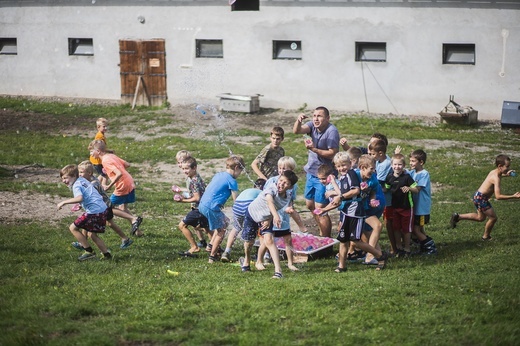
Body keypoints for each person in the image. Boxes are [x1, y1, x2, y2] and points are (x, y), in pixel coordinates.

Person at [316, 161, 388, 272]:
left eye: (343, 165)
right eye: (339, 166)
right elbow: (340, 199)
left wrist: (339, 196)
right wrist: (325, 209)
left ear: (350, 164)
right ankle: (342, 266)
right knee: (343, 239)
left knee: (356, 240)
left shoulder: (352, 175)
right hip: (346, 212)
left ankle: (379, 255)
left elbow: (355, 191)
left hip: (355, 212)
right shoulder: (344, 178)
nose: (341, 168)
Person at [241, 170, 299, 279]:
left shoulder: (285, 199)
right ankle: (247, 259)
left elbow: (274, 207)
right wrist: (275, 216)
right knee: (249, 243)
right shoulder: (271, 188)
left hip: (266, 218)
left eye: (286, 183)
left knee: (269, 241)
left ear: (290, 187)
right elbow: (270, 202)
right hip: (252, 214)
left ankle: (278, 271)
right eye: (281, 180)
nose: (281, 184)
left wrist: (269, 218)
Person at [293, 106, 340, 237]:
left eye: (319, 116)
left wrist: (314, 149)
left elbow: (332, 154)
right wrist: (298, 121)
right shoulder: (312, 126)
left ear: (327, 118)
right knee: (309, 205)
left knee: (320, 208)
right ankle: (321, 230)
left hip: (324, 176)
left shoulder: (332, 131)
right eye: (314, 116)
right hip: (311, 172)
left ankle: (326, 240)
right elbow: (297, 131)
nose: (316, 118)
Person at [450, 154, 520, 240]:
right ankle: (486, 237)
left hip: (477, 196)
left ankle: (458, 217)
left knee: (481, 218)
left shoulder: (494, 172)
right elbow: (498, 196)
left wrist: (506, 174)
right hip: (481, 199)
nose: (509, 168)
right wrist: (513, 196)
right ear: (500, 166)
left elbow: (498, 175)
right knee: (493, 218)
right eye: (507, 166)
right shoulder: (496, 178)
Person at [255, 157, 306, 271]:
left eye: (284, 168)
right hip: (271, 215)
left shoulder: (293, 185)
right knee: (267, 240)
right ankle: (259, 260)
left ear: (291, 170)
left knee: (288, 240)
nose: (281, 170)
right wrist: (267, 217)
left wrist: (290, 208)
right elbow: (267, 200)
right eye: (280, 168)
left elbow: (291, 200)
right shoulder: (272, 181)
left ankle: (290, 263)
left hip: (284, 216)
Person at [56, 164, 112, 261]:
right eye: (62, 178)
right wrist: (81, 204)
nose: (63, 181)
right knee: (92, 235)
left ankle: (89, 251)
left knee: (73, 228)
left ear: (74, 176)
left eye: (65, 178)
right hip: (102, 208)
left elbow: (80, 197)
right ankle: (107, 255)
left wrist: (64, 202)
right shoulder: (82, 180)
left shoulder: (77, 185)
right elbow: (89, 194)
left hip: (94, 211)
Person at [89, 140, 143, 236]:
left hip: (122, 185)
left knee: (107, 208)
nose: (91, 154)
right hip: (129, 182)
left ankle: (134, 219)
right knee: (122, 208)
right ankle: (138, 231)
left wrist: (109, 186)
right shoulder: (111, 156)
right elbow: (127, 164)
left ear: (98, 151)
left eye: (91, 151)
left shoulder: (105, 160)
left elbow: (119, 173)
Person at [77, 161, 134, 250]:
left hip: (103, 207)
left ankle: (84, 243)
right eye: (78, 172)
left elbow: (91, 196)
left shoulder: (93, 184)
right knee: (110, 224)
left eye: (81, 172)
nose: (79, 174)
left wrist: (80, 204)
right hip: (103, 206)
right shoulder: (89, 180)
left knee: (90, 224)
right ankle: (125, 238)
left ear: (89, 173)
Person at [198, 155, 245, 263]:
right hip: (212, 208)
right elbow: (235, 200)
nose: (239, 174)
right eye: (241, 171)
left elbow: (208, 187)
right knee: (222, 230)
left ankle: (210, 245)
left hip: (202, 204)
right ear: (237, 167)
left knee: (225, 222)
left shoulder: (218, 175)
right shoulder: (232, 181)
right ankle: (212, 257)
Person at [221, 178, 266, 262]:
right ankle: (264, 256)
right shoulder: (262, 193)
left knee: (236, 228)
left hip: (237, 206)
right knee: (259, 229)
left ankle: (226, 252)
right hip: (248, 205)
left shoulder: (248, 190)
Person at [173, 157, 211, 256]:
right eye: (183, 169)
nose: (184, 171)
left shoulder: (193, 182)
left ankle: (194, 247)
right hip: (204, 208)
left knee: (182, 225)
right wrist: (182, 193)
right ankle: (216, 249)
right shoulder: (196, 177)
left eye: (187, 169)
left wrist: (182, 200)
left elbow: (197, 198)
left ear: (194, 168)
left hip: (198, 209)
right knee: (207, 229)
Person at [384, 153, 418, 256]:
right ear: (391, 165)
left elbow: (416, 189)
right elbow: (386, 188)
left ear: (403, 166)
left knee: (406, 229)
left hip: (406, 207)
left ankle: (407, 249)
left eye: (399, 165)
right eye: (395, 164)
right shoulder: (389, 177)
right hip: (395, 207)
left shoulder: (407, 177)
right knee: (396, 228)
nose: (397, 167)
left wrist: (409, 188)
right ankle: (398, 247)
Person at [368, 138, 396, 255]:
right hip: (382, 196)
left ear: (380, 153)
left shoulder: (385, 164)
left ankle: (394, 248)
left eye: (373, 154)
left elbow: (379, 182)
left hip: (387, 199)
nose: (372, 156)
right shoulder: (379, 161)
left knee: (388, 223)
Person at [408, 150, 437, 255]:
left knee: (416, 230)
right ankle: (424, 246)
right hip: (415, 208)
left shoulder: (424, 174)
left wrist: (407, 188)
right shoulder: (412, 172)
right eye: (410, 161)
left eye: (413, 161)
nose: (410, 163)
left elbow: (417, 189)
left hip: (421, 209)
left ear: (421, 162)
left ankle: (430, 247)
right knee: (419, 229)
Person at [89, 118, 109, 188]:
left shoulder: (101, 135)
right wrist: (109, 151)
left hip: (98, 160)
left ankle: (97, 186)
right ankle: (103, 186)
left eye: (106, 126)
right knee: (105, 173)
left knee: (103, 173)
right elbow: (99, 148)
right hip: (97, 160)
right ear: (98, 127)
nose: (106, 128)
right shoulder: (99, 136)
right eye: (104, 126)